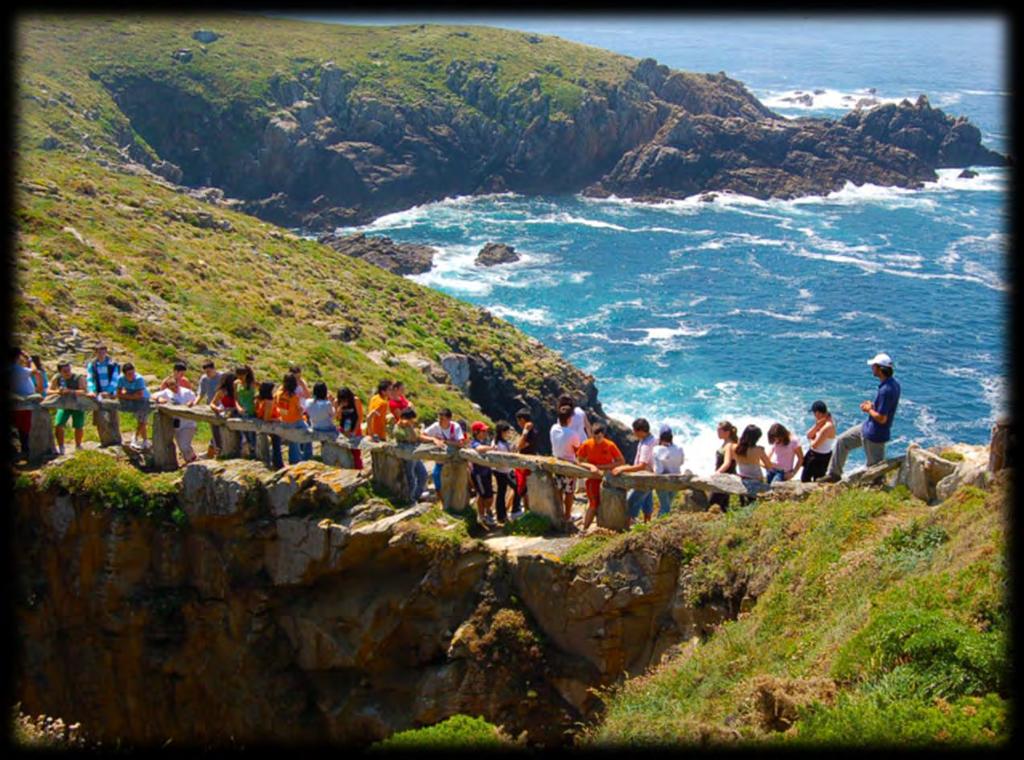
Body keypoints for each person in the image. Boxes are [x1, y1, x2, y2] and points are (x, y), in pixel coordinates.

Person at [822, 353, 902, 482]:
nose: (872, 368)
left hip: (875, 435)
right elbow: (885, 407)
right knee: (842, 441)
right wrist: (873, 406)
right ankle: (834, 474)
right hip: (868, 428)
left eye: (874, 366)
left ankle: (878, 491)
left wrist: (869, 409)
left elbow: (882, 418)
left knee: (875, 472)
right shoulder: (893, 384)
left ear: (880, 369)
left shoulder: (886, 390)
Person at [576, 423, 625, 531]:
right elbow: (578, 461)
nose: (597, 439)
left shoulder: (610, 445)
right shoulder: (587, 444)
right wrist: (591, 466)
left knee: (607, 504)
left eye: (599, 437)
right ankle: (584, 529)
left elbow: (621, 461)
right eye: (594, 437)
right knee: (593, 504)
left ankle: (605, 529)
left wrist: (601, 467)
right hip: (593, 480)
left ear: (603, 435)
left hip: (607, 480)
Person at [613, 418, 657, 528]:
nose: (633, 433)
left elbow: (642, 465)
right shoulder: (653, 439)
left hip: (643, 478)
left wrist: (623, 469)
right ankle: (647, 525)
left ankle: (627, 527)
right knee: (647, 502)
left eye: (635, 431)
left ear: (641, 431)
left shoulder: (646, 445)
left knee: (631, 502)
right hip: (651, 477)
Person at [718, 424, 773, 506]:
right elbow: (769, 466)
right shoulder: (759, 450)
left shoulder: (732, 447)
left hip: (742, 480)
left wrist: (716, 474)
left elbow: (727, 463)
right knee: (754, 505)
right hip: (756, 481)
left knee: (744, 504)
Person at [152, 373, 199, 464]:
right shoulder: (166, 392)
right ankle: (191, 460)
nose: (174, 388)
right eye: (171, 386)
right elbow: (153, 395)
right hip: (176, 424)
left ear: (178, 383)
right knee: (182, 446)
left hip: (188, 423)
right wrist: (159, 399)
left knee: (184, 445)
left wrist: (191, 403)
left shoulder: (187, 392)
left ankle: (191, 461)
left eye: (175, 385)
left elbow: (195, 399)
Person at [423, 408, 466, 505]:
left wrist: (446, 442)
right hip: (439, 461)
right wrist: (433, 439)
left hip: (453, 462)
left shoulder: (455, 427)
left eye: (442, 419)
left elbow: (461, 443)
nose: (440, 421)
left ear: (449, 419)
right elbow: (422, 435)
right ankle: (443, 503)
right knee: (437, 481)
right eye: (439, 418)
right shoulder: (436, 426)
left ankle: (453, 504)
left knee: (453, 484)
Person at [549, 404, 582, 524]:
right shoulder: (572, 434)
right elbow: (577, 449)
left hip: (556, 463)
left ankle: (559, 513)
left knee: (558, 490)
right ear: (569, 419)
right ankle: (567, 516)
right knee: (569, 492)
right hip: (569, 465)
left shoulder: (553, 428)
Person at [48, 360, 88, 455]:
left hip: (78, 404)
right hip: (63, 405)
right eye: (65, 371)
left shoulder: (78, 377)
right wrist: (58, 391)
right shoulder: (57, 378)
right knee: (58, 424)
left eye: (69, 370)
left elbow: (84, 391)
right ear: (60, 372)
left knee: (78, 426)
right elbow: (49, 390)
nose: (68, 373)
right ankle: (61, 447)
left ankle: (78, 445)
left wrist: (70, 391)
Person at [391, 407, 430, 502]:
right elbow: (410, 439)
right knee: (411, 477)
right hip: (407, 455)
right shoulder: (397, 428)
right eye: (411, 419)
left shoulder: (410, 427)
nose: (413, 421)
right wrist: (408, 426)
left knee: (423, 475)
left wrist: (411, 427)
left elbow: (416, 437)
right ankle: (411, 498)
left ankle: (417, 495)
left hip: (415, 454)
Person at [274, 373, 310, 464]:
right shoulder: (294, 397)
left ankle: (294, 458)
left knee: (293, 441)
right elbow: (299, 410)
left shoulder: (279, 394)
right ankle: (302, 458)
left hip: (284, 420)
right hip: (295, 421)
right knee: (308, 434)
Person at [468, 421, 497, 526]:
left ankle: (482, 515)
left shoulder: (483, 441)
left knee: (483, 494)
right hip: (479, 474)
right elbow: (479, 449)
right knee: (486, 496)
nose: (485, 432)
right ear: (476, 432)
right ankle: (486, 514)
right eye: (483, 431)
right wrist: (492, 448)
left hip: (486, 472)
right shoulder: (475, 442)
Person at [116, 362, 151, 450]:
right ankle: (139, 438)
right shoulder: (121, 378)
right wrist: (131, 396)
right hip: (131, 398)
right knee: (141, 421)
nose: (131, 375)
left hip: (143, 400)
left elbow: (140, 395)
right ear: (124, 374)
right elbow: (118, 393)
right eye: (129, 374)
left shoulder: (139, 379)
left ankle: (142, 439)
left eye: (133, 373)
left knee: (142, 421)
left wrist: (126, 395)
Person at [652, 424, 685, 516]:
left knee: (665, 507)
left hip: (663, 482)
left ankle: (659, 525)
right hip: (676, 481)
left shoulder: (657, 449)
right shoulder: (679, 448)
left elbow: (658, 471)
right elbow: (681, 462)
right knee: (667, 505)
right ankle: (660, 523)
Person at [192, 361, 223, 456]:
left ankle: (217, 450)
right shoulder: (204, 379)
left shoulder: (222, 377)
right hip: (211, 407)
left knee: (222, 429)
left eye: (209, 371)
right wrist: (194, 404)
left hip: (222, 407)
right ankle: (217, 450)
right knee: (214, 429)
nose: (207, 374)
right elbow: (201, 394)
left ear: (214, 369)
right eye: (206, 372)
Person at [11, 348, 37, 459]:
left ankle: (20, 451)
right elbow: (34, 371)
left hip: (17, 402)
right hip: (23, 403)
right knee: (24, 428)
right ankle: (24, 451)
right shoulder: (17, 369)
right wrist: (30, 359)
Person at [801, 401, 836, 482]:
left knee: (812, 480)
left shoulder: (828, 426)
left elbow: (815, 445)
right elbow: (809, 435)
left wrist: (811, 440)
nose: (814, 416)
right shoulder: (822, 421)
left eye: (814, 413)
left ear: (818, 413)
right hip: (815, 455)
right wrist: (816, 426)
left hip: (819, 457)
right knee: (806, 478)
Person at [491, 421, 518, 523]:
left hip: (506, 470)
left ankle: (503, 514)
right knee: (503, 492)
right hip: (500, 471)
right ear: (502, 432)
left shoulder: (504, 442)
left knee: (503, 491)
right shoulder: (496, 443)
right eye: (506, 431)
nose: (508, 433)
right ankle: (503, 515)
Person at [513, 409, 538, 515]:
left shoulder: (531, 433)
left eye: (519, 421)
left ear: (522, 420)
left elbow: (520, 446)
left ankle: (528, 511)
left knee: (525, 488)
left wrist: (525, 432)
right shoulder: (532, 431)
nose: (518, 424)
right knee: (521, 488)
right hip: (523, 464)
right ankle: (524, 509)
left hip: (527, 464)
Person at [709, 421, 738, 511]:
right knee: (723, 506)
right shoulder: (726, 443)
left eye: (719, 430)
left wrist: (717, 473)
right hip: (723, 477)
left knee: (712, 505)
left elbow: (727, 463)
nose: (717, 432)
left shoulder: (729, 445)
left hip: (724, 478)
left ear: (727, 432)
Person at [304, 381, 337, 460]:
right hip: (327, 429)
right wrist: (332, 403)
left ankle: (308, 456)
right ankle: (330, 455)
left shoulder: (308, 402)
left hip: (314, 427)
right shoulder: (327, 404)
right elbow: (333, 415)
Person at [209, 372, 240, 456]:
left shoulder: (238, 390)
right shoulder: (222, 391)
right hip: (225, 413)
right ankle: (218, 448)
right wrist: (216, 409)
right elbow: (212, 403)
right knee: (215, 425)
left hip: (236, 413)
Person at [256, 381, 284, 469]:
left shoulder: (259, 399)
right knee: (276, 444)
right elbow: (266, 418)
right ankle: (278, 464)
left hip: (263, 424)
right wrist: (277, 419)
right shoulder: (269, 402)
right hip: (271, 426)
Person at [336, 387, 364, 470]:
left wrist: (355, 431)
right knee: (343, 450)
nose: (345, 402)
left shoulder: (355, 400)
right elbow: (338, 418)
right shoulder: (337, 402)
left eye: (345, 400)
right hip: (344, 428)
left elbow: (360, 417)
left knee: (356, 452)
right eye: (342, 400)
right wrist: (339, 409)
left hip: (354, 427)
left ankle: (359, 469)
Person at [234, 366, 258, 458]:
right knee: (244, 432)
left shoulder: (252, 383)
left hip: (251, 410)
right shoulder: (236, 383)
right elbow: (235, 399)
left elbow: (262, 390)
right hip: (242, 410)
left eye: (242, 375)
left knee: (252, 432)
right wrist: (238, 407)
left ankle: (253, 451)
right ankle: (248, 450)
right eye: (238, 375)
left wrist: (256, 399)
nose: (240, 377)